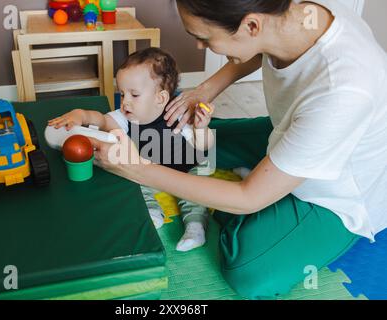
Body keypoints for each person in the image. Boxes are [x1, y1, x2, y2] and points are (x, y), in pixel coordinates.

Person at [88, 0, 387, 299]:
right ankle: (256, 180)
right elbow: (258, 50)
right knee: (189, 143)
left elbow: (249, 198)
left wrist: (138, 169)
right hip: (293, 133)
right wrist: (205, 90)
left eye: (204, 37)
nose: (199, 46)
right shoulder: (291, 17)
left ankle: (258, 204)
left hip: (339, 190)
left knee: (248, 272)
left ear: (251, 25)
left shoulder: (342, 91)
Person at [49, 47, 216, 252]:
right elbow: (101, 119)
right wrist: (80, 114)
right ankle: (152, 213)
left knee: (196, 190)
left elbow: (205, 145)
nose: (125, 101)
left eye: (134, 94)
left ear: (160, 98)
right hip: (151, 172)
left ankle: (195, 227)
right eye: (122, 93)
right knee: (133, 181)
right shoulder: (125, 116)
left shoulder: (178, 115)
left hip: (187, 167)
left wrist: (201, 128)